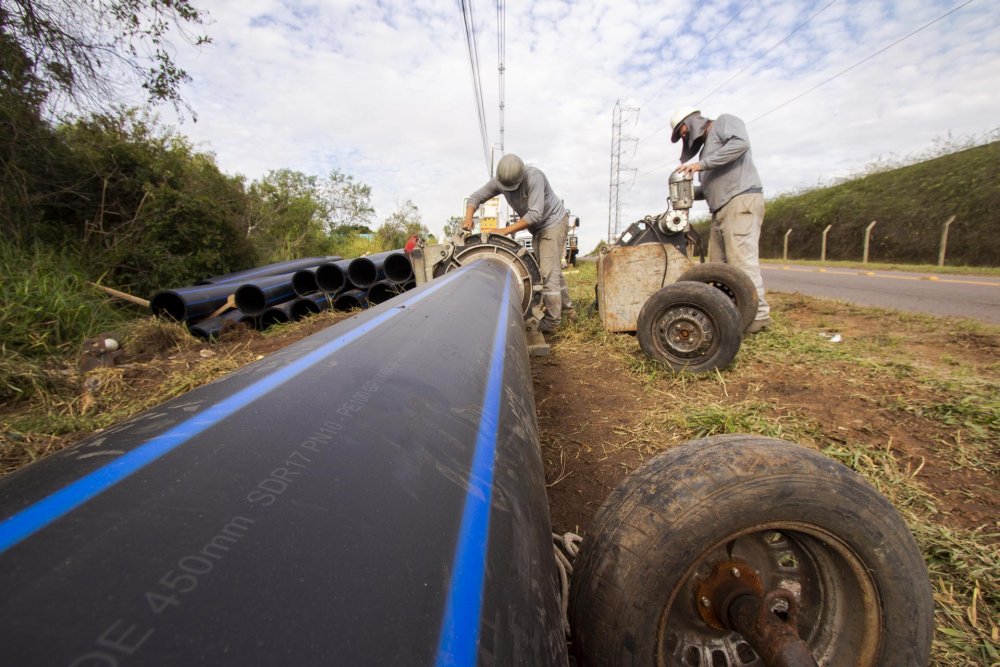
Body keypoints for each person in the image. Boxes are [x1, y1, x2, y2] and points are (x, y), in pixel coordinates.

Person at [670, 107, 771, 333]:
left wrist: (700, 165)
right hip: (719, 208)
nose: (684, 137)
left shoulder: (723, 123)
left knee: (741, 262)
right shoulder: (707, 152)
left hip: (740, 200)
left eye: (683, 131)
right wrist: (681, 192)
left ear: (692, 121)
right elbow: (709, 188)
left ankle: (758, 318)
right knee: (720, 267)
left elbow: (740, 143)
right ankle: (731, 314)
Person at [462, 154, 574, 332]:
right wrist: (468, 218)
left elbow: (535, 214)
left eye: (514, 188)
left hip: (553, 222)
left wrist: (504, 231)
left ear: (521, 176)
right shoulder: (500, 181)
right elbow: (475, 197)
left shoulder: (534, 177)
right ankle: (569, 311)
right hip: (538, 228)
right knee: (552, 268)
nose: (511, 191)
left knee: (547, 272)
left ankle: (553, 322)